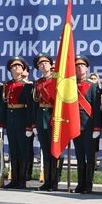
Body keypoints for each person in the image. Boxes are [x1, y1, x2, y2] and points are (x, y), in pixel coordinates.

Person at [0, 56, 34, 189]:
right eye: (14, 66)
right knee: (13, 151)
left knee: (23, 150)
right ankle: (14, 178)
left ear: (23, 69)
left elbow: (30, 108)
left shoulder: (28, 85)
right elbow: (4, 106)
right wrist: (2, 123)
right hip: (11, 119)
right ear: (10, 69)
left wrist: (29, 125)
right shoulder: (7, 85)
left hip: (22, 119)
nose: (16, 68)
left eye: (19, 66)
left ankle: (22, 179)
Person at [72, 55, 102, 194]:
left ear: (86, 68)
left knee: (90, 157)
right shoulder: (71, 86)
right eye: (77, 66)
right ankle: (80, 184)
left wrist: (97, 127)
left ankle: (88, 184)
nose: (79, 68)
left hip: (89, 125)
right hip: (75, 125)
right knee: (79, 156)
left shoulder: (93, 85)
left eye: (82, 66)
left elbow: (96, 108)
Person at [32, 53, 62, 191]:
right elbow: (35, 103)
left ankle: (54, 181)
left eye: (45, 63)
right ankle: (47, 181)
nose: (43, 65)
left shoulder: (57, 79)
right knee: (45, 151)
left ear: (51, 65)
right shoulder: (38, 82)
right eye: (40, 64)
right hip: (41, 119)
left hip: (53, 118)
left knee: (54, 152)